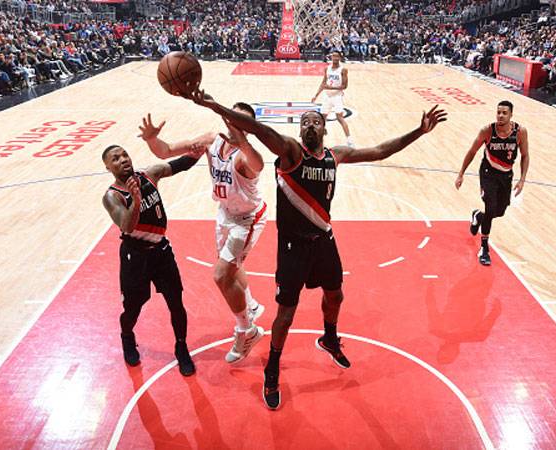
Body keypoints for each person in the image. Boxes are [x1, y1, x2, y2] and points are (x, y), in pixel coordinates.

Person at [186, 89, 446, 409]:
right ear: (299, 130)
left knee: (335, 295)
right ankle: (272, 369)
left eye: (316, 122)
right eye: (305, 122)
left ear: (324, 129)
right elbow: (261, 130)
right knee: (285, 315)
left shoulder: (334, 156)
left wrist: (419, 131)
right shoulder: (292, 153)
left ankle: (329, 338)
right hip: (293, 247)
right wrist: (213, 106)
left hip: (324, 240)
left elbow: (379, 151)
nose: (310, 125)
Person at [137, 104, 266, 365]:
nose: (233, 124)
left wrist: (243, 139)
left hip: (247, 219)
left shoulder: (245, 155)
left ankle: (247, 331)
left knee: (221, 275)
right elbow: (166, 150)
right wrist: (152, 138)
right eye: (231, 118)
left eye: (242, 123)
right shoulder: (211, 140)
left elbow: (258, 164)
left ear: (249, 129)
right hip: (225, 213)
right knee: (232, 266)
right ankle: (250, 305)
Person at [102, 144, 203, 376]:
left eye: (125, 154)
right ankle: (127, 336)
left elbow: (179, 165)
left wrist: (198, 152)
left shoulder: (149, 174)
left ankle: (181, 346)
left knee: (176, 302)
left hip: (161, 251)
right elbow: (126, 225)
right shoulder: (112, 196)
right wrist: (136, 202)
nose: (123, 160)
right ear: (108, 167)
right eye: (116, 159)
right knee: (133, 308)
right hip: (135, 256)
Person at [455, 100, 529, 266]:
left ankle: (478, 216)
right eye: (498, 112)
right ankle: (484, 247)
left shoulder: (520, 132)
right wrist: (461, 173)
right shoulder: (488, 131)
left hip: (506, 176)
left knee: (500, 211)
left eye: (504, 113)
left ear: (511, 115)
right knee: (490, 206)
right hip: (488, 173)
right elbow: (472, 151)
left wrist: (522, 180)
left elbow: (525, 155)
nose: (500, 115)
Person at [311, 50, 354, 147]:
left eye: (336, 56)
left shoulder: (343, 70)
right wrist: (316, 95)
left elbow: (344, 86)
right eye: (333, 56)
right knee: (322, 118)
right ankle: (318, 140)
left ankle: (349, 140)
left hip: (337, 96)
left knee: (340, 118)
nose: (335, 58)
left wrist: (331, 88)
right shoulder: (327, 68)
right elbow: (323, 83)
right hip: (327, 96)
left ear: (340, 58)